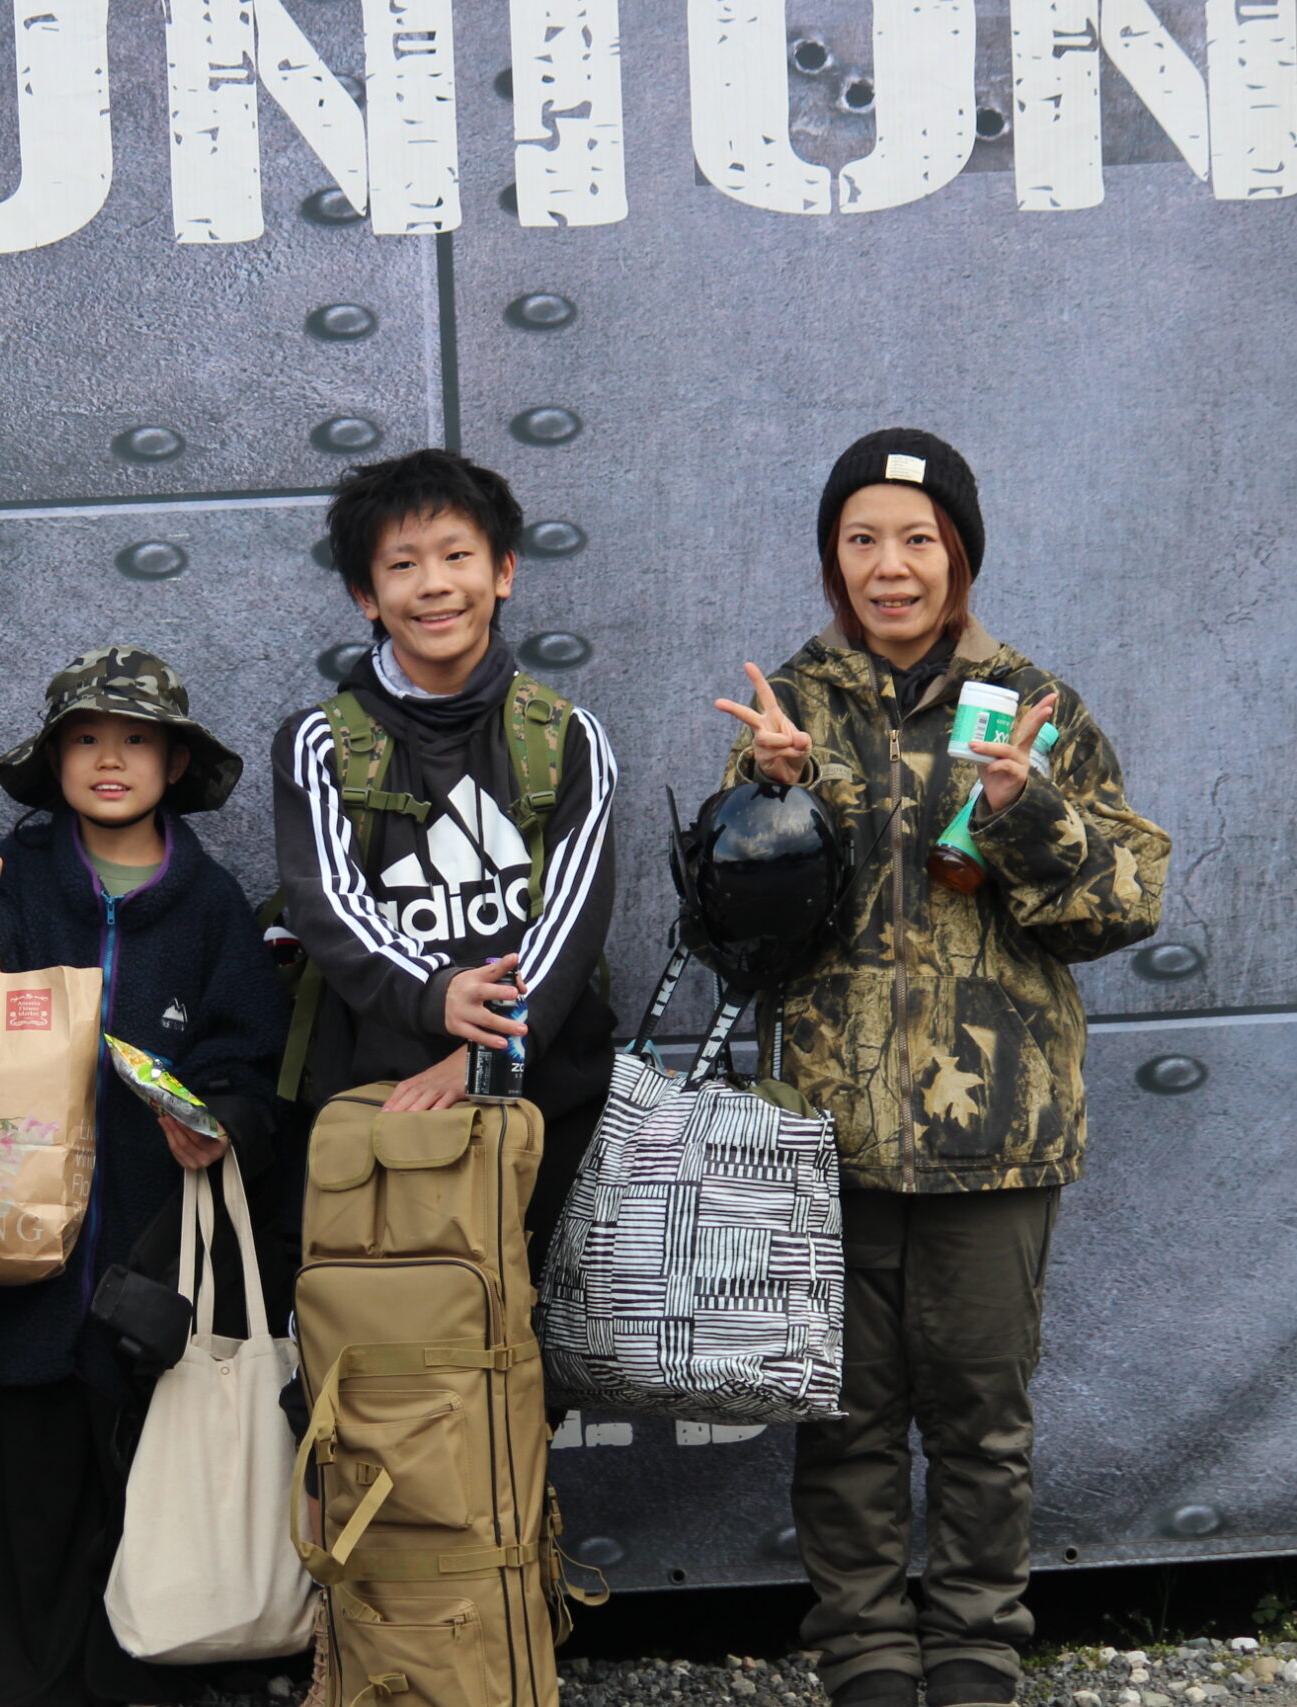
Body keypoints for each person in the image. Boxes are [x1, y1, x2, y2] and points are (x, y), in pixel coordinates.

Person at [712, 428, 1169, 1707]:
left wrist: (1028, 812)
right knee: (842, 1416)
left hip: (996, 1133)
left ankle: (972, 1643)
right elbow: (727, 935)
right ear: (833, 559)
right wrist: (765, 802)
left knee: (981, 1416)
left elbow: (1124, 904)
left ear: (958, 554)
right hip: (829, 1130)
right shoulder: (787, 708)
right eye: (860, 539)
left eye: (917, 539)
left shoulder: (1034, 705)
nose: (890, 566)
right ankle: (862, 1647)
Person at [0, 646, 288, 1707]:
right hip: (20, 1271)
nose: (109, 758)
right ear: (54, 761)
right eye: (85, 737)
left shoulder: (211, 904)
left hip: (154, 1271)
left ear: (175, 763)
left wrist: (218, 1124)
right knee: (28, 1526)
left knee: (154, 1514)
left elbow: (252, 1068)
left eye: (136, 739)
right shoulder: (15, 879)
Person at [269, 447, 617, 1280]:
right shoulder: (317, 743)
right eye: (402, 565)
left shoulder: (569, 737)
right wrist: (436, 993)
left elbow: (573, 922)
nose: (434, 585)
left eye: (457, 555)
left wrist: (484, 1054)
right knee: (405, 1333)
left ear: (503, 571)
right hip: (385, 1107)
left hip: (549, 1105)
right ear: (366, 595)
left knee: (546, 1337)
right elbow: (328, 906)